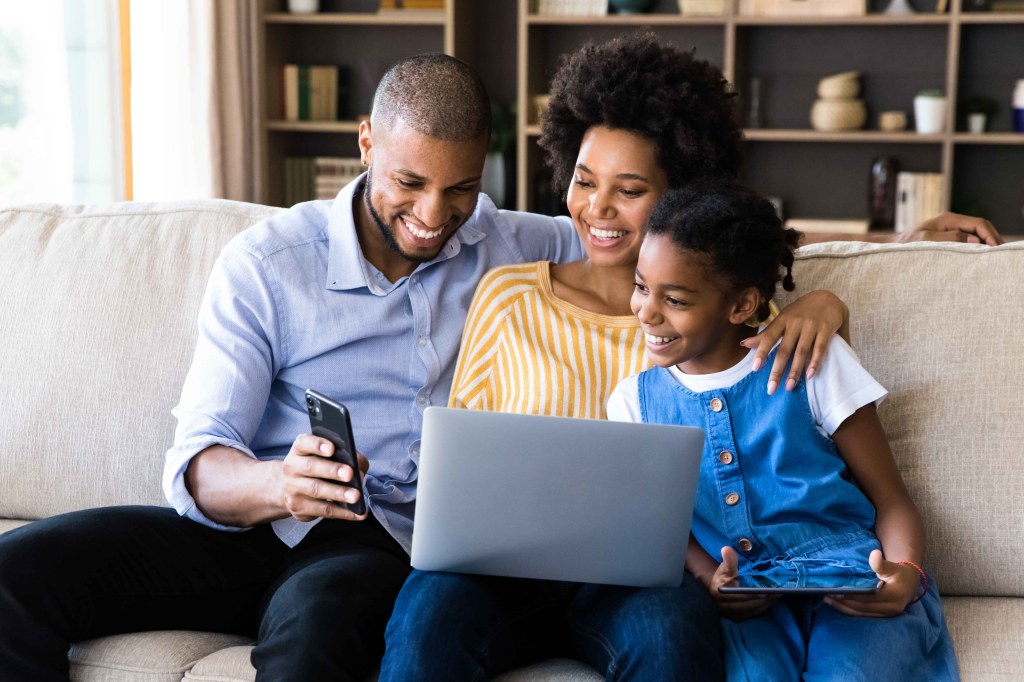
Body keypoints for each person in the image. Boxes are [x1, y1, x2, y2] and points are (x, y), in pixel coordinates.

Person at [0, 47, 991, 680]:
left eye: (460, 191)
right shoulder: (310, 264)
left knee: (658, 637)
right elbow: (197, 454)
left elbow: (707, 252)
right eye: (408, 185)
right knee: (23, 569)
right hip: (321, 527)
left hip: (496, 557)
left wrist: (835, 275)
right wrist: (270, 478)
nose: (434, 218)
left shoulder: (587, 271)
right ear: (363, 148)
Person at [379, 33, 854, 682]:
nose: (597, 208)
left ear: (680, 192)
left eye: (628, 190)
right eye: (583, 180)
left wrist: (826, 301)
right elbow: (463, 460)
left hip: (643, 578)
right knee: (423, 621)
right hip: (498, 572)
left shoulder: (712, 318)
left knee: (671, 638)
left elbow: (773, 319)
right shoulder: (508, 295)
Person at [606, 180, 959, 681]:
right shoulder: (632, 403)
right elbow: (664, 525)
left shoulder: (814, 360)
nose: (646, 310)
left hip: (854, 579)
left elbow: (891, 499)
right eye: (642, 286)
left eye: (676, 299)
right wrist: (711, 579)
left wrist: (906, 574)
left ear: (741, 305)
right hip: (748, 601)